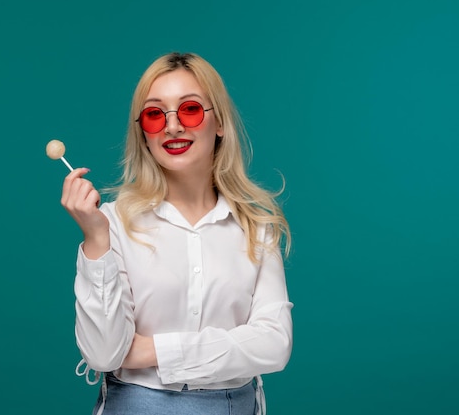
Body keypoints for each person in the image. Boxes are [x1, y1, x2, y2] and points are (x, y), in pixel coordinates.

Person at [61, 52, 293, 415]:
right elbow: (104, 354)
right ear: (144, 134)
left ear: (219, 123)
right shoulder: (112, 224)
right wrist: (96, 240)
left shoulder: (256, 226)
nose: (172, 127)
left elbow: (274, 345)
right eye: (155, 115)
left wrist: (152, 351)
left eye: (189, 109)